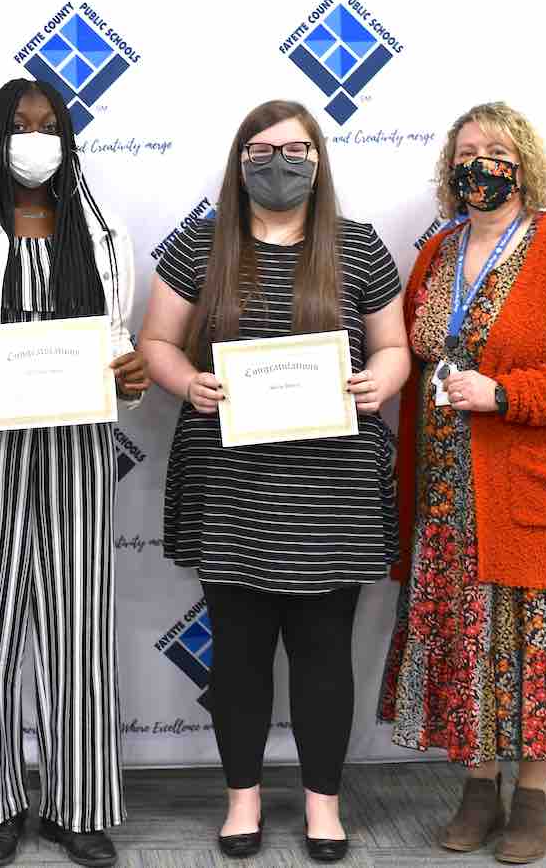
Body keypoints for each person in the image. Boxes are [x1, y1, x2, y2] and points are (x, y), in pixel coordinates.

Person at [139, 99, 409, 863]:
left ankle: (323, 805)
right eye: (259, 151)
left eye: (293, 149)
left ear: (318, 160)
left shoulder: (357, 248)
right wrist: (186, 381)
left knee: (325, 654)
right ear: (237, 163)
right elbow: (156, 339)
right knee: (239, 653)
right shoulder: (201, 246)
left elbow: (393, 347)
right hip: (234, 484)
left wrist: (378, 382)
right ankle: (243, 800)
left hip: (334, 487)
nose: (277, 163)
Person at [379, 101, 546, 864]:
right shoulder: (438, 254)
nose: (477, 162)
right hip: (451, 490)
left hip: (538, 483)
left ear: (522, 165)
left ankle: (533, 791)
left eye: (494, 150)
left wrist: (507, 395)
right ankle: (477, 784)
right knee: (470, 637)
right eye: (465, 150)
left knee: (538, 640)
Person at [0, 78, 148, 868]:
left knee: (78, 625)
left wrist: (127, 374)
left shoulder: (101, 226)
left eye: (48, 125)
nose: (34, 138)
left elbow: (118, 333)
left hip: (79, 439)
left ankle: (77, 805)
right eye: (19, 125)